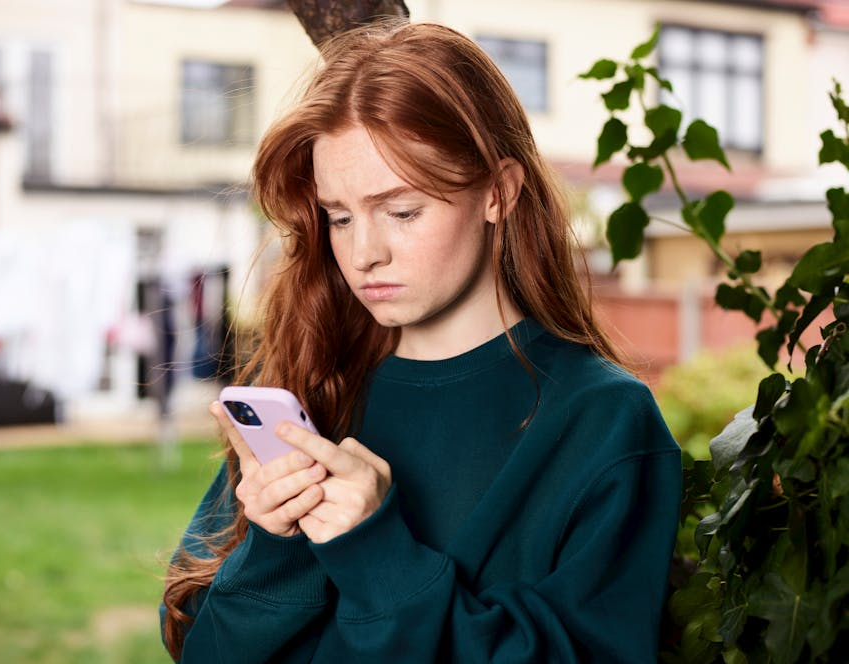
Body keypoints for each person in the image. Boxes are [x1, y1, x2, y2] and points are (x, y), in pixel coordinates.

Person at [160, 20, 680, 664]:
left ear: (499, 192)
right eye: (339, 217)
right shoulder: (310, 383)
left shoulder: (603, 420)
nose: (364, 253)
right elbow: (200, 648)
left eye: (402, 211)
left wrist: (377, 555)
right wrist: (277, 545)